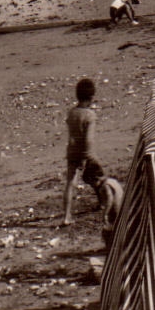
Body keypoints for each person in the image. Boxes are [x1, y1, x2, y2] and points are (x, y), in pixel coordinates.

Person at [63, 78, 103, 225]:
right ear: (91, 97)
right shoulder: (90, 115)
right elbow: (88, 139)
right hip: (86, 153)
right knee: (97, 178)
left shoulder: (72, 113)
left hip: (72, 151)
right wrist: (90, 157)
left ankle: (67, 216)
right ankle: (103, 203)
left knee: (70, 183)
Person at [81, 159, 125, 250]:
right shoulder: (112, 181)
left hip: (115, 210)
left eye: (91, 184)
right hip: (123, 207)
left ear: (95, 179)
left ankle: (110, 248)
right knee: (118, 229)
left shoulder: (105, 186)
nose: (92, 187)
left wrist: (106, 213)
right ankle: (117, 246)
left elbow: (110, 199)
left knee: (107, 232)